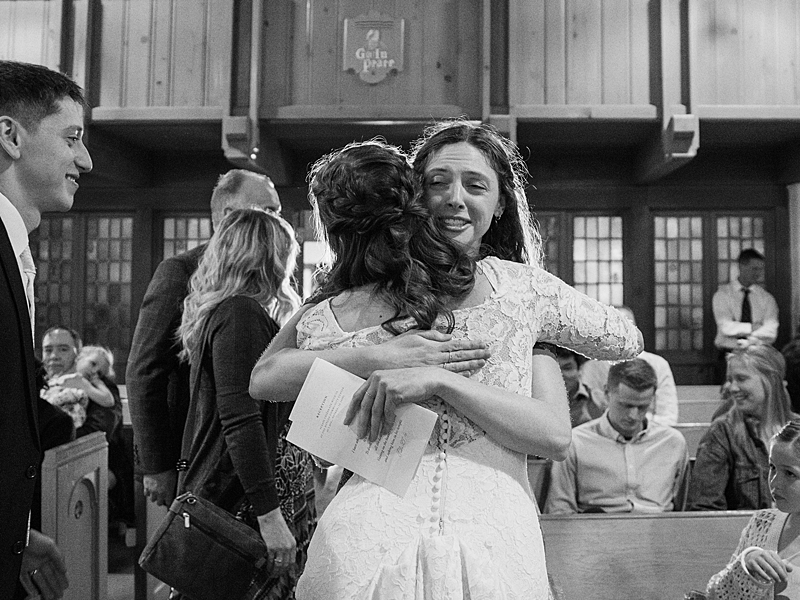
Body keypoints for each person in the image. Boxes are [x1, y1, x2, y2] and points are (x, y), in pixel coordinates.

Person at [250, 128, 642, 598]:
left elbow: (625, 340)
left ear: (500, 204)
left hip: (492, 528)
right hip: (374, 523)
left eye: (475, 186)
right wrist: (381, 355)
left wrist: (534, 341)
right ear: (415, 195)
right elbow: (266, 378)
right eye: (438, 183)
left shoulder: (522, 291)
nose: (455, 199)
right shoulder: (368, 289)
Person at [177, 208, 314, 597]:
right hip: (248, 507)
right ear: (271, 256)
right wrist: (270, 517)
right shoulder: (240, 313)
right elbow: (240, 419)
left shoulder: (235, 312)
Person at [127, 169, 282, 509]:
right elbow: (144, 371)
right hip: (197, 452)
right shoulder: (180, 271)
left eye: (277, 213)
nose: (275, 221)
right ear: (228, 216)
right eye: (267, 211)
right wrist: (157, 465)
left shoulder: (265, 267)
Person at [0, 59, 91, 600]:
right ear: (10, 136)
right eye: (72, 137)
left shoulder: (16, 246)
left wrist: (13, 534)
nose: (85, 158)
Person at [545, 358, 689, 514]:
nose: (633, 416)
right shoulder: (576, 442)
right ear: (607, 393)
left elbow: (685, 510)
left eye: (642, 407)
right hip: (596, 530)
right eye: (625, 405)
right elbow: (560, 511)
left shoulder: (673, 443)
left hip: (658, 531)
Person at [687, 345, 796, 511]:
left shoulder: (797, 429)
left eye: (741, 379)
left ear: (770, 380)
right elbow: (703, 509)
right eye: (730, 380)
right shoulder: (722, 432)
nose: (732, 387)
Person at [705, 419, 800, 599]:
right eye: (772, 468)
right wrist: (745, 564)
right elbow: (715, 595)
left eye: (790, 473)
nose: (774, 482)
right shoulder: (762, 524)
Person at [580, 306, 679, 425]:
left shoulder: (658, 364)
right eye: (612, 327)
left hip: (651, 435)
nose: (618, 334)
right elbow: (587, 415)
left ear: (635, 330)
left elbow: (668, 416)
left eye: (625, 327)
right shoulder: (590, 368)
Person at [712, 248, 779, 382]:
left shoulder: (766, 298)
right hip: (728, 355)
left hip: (758, 356)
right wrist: (753, 327)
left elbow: (771, 331)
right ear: (742, 267)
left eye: (760, 269)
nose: (758, 274)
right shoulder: (723, 295)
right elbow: (726, 327)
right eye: (754, 269)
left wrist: (749, 341)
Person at [553, 346, 603, 427]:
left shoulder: (599, 399)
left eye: (567, 368)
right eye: (554, 369)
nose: (560, 376)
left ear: (579, 369)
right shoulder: (538, 404)